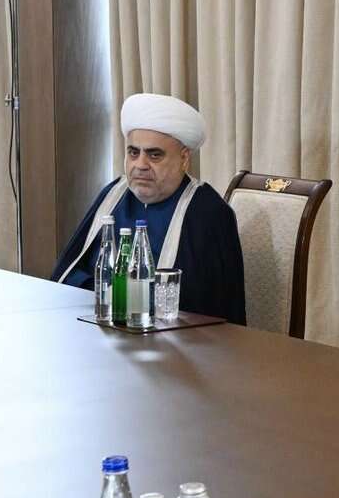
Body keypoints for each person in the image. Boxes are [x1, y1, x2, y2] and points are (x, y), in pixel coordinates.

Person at [52, 93, 246, 325]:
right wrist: (112, 299)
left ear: (184, 159)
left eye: (154, 155)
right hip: (99, 327)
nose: (140, 165)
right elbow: (70, 274)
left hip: (173, 340)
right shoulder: (113, 195)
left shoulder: (207, 213)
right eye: (133, 153)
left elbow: (207, 308)